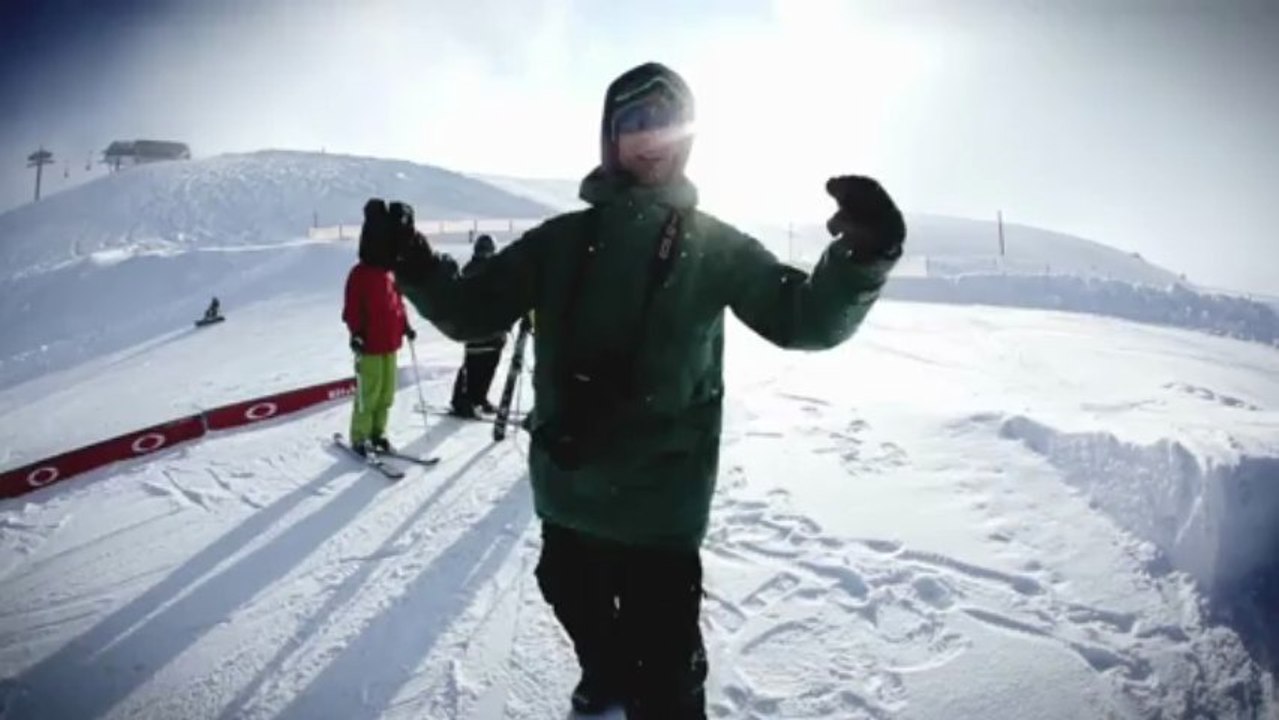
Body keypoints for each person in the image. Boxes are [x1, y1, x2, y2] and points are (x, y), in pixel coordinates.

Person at [392, 62, 905, 719]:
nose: (649, 136)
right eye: (633, 122)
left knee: (664, 672)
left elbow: (801, 319)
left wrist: (864, 256)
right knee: (565, 589)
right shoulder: (559, 241)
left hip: (660, 509)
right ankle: (603, 674)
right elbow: (470, 313)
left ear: (686, 136)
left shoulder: (713, 246)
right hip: (567, 487)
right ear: (609, 138)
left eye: (663, 120)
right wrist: (411, 261)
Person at [342, 198, 416, 456]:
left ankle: (378, 433)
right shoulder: (360, 274)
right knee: (369, 393)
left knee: (386, 393)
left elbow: (398, 303)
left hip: (391, 342)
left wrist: (405, 325)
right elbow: (352, 309)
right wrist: (357, 334)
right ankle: (360, 435)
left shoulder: (389, 274)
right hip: (371, 344)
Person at [449, 234, 508, 418]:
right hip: (478, 330)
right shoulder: (473, 271)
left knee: (487, 366)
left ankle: (479, 398)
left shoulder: (493, 270)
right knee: (474, 366)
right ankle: (462, 401)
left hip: (491, 331)